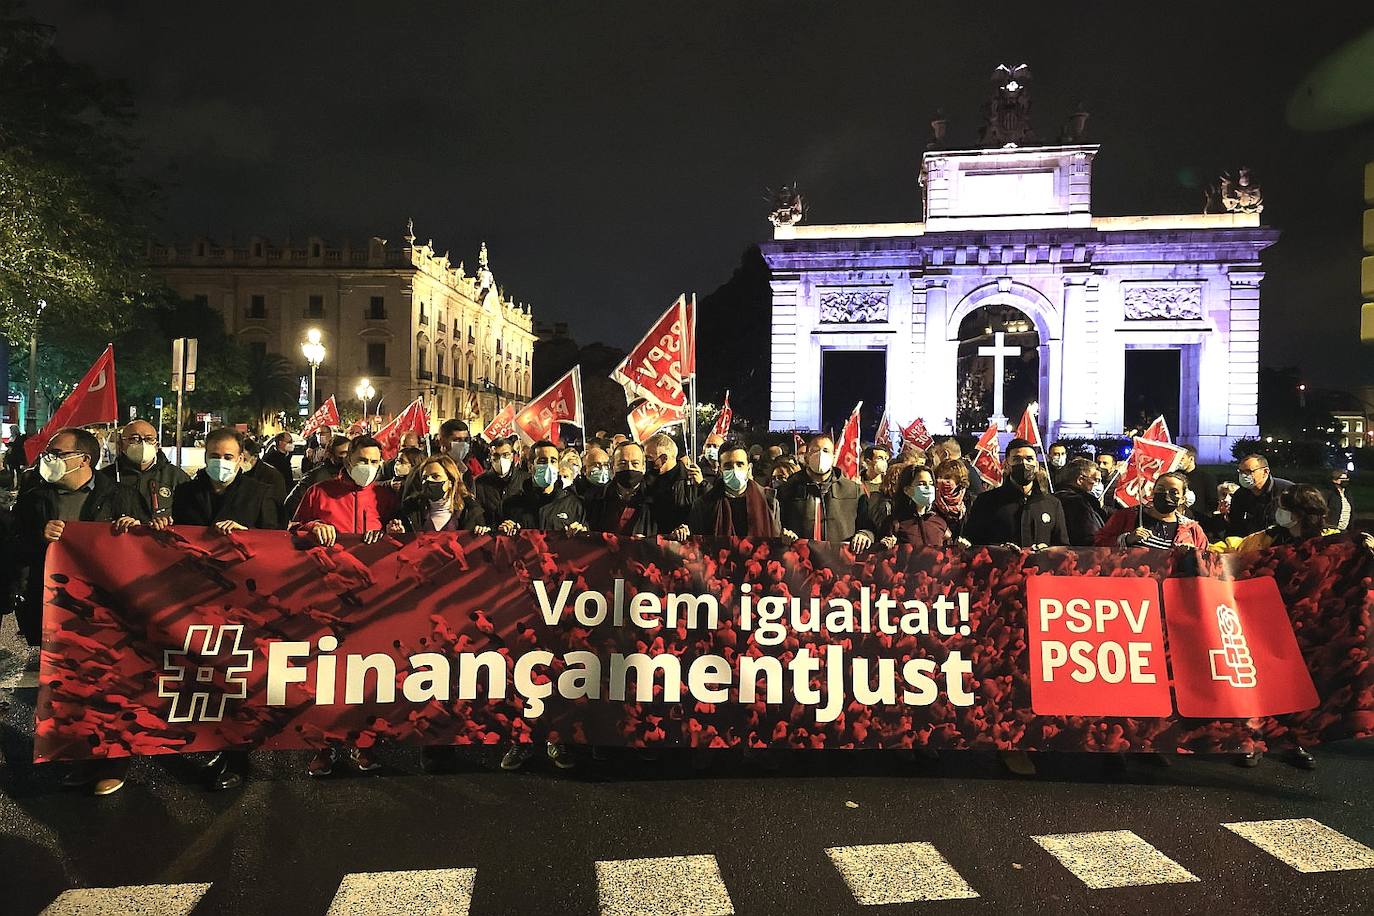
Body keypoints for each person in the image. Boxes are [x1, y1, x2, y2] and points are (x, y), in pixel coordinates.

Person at [10, 427, 146, 795]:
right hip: (56, 608)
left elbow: (148, 548)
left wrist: (133, 530)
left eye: (57, 453)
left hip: (108, 610)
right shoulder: (34, 498)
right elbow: (14, 546)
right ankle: (81, 757)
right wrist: (39, 536)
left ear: (83, 459)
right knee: (69, 687)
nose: (48, 459)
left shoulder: (120, 495)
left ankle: (114, 760)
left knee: (111, 685)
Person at [172, 428, 279, 791]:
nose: (221, 462)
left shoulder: (260, 493)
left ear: (242, 459)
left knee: (239, 679)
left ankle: (239, 756)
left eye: (228, 456)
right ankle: (213, 742)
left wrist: (247, 536)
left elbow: (277, 544)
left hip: (244, 599)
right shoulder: (187, 492)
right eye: (215, 455)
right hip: (199, 598)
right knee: (205, 677)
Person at [290, 435, 399, 777]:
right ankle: (324, 748)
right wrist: (313, 525)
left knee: (369, 674)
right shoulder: (319, 492)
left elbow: (404, 537)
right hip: (328, 595)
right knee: (327, 675)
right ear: (348, 460)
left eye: (374, 461)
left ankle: (364, 744)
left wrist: (397, 529)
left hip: (373, 598)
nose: (368, 467)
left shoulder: (386, 496)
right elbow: (291, 530)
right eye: (362, 460)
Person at [1211, 483, 1336, 771]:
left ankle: (1293, 741)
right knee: (1259, 680)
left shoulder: (1331, 540)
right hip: (1264, 619)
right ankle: (1252, 739)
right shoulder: (1266, 539)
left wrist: (1365, 541)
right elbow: (1235, 547)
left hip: (1306, 624)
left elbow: (1356, 547)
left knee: (1296, 684)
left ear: (1300, 513)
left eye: (1285, 508)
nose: (1279, 513)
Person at [964, 438, 1068, 550]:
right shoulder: (986, 501)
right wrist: (999, 550)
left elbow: (1063, 549)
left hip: (1041, 566)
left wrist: (1048, 550)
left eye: (1029, 459)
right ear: (1006, 465)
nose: (1024, 464)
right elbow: (973, 544)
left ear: (1036, 465)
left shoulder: (1052, 504)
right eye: (1017, 459)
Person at [775, 435, 873, 548]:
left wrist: (864, 534)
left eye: (826, 451)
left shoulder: (853, 491)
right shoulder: (788, 490)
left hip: (839, 560)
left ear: (833, 457)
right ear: (806, 456)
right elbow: (776, 525)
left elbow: (868, 526)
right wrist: (784, 534)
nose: (821, 455)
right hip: (799, 559)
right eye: (815, 450)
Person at [101, 419, 189, 524]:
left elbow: (189, 516)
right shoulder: (106, 477)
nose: (143, 444)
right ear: (121, 444)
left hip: (161, 539)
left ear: (157, 445)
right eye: (134, 439)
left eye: (149, 439)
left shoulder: (175, 476)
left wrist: (166, 522)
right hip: (121, 539)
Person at [1095, 471, 1210, 550]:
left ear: (1182, 499)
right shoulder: (1127, 516)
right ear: (1152, 492)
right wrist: (1126, 539)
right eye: (1161, 489)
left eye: (1173, 492)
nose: (1166, 494)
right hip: (1130, 582)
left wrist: (1191, 553)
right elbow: (1098, 544)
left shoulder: (1192, 529)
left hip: (1172, 584)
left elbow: (1206, 561)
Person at [687, 443, 781, 537]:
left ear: (749, 468)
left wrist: (787, 538)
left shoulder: (769, 501)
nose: (734, 470)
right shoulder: (704, 504)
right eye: (728, 466)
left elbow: (776, 540)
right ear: (720, 470)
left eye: (740, 464)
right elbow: (697, 545)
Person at [499, 440, 586, 534]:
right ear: (530, 466)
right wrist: (504, 530)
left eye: (553, 461)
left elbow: (585, 543)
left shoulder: (573, 504)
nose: (548, 466)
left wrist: (582, 533)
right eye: (542, 461)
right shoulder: (511, 505)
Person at [585, 441, 657, 536]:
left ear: (643, 467)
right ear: (613, 467)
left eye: (635, 463)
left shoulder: (657, 499)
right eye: (622, 463)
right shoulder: (594, 499)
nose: (629, 468)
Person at [643, 433, 703, 540]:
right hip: (651, 544)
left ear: (664, 458)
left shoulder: (690, 482)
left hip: (679, 548)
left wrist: (688, 528)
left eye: (649, 458)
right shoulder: (646, 480)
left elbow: (704, 514)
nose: (646, 462)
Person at [876, 465, 950, 548]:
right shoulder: (894, 523)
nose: (928, 487)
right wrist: (885, 546)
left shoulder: (940, 522)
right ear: (907, 490)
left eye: (931, 483)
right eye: (922, 484)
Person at [284, 434, 351, 520]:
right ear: (330, 455)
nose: (347, 458)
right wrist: (313, 522)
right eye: (343, 453)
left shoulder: (353, 477)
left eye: (349, 453)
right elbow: (292, 504)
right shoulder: (314, 477)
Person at [1228, 454, 1294, 537]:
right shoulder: (1240, 495)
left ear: (1265, 472)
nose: (1243, 475)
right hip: (1250, 545)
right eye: (1241, 471)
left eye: (1248, 471)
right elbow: (1235, 526)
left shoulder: (1287, 490)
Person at [473, 438, 527, 528]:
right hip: (490, 537)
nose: (501, 459)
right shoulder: (479, 482)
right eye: (496, 456)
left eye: (505, 455)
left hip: (519, 536)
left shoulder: (525, 480)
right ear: (490, 457)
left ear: (512, 456)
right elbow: (477, 512)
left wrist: (517, 525)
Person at [1056, 457, 1108, 547]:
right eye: (1096, 480)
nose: (1098, 485)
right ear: (1080, 480)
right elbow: (1089, 537)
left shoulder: (1055, 498)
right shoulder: (1078, 503)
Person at [240, 438, 288, 526]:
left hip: (265, 528)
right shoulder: (236, 473)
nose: (240, 462)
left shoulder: (272, 475)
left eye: (244, 459)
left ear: (254, 457)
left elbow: (280, 507)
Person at [931, 458, 972, 544]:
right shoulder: (931, 501)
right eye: (939, 477)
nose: (941, 481)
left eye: (947, 478)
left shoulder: (970, 501)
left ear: (959, 481)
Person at [1176, 444, 1217, 523]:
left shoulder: (1206, 478)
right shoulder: (1174, 477)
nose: (1178, 461)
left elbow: (1212, 503)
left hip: (1200, 521)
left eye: (1182, 458)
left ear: (1191, 459)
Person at [438, 419, 484, 487]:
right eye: (457, 440)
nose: (463, 444)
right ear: (442, 441)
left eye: (465, 440)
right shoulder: (433, 469)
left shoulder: (467, 469)